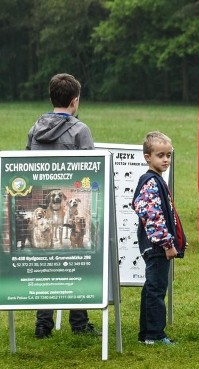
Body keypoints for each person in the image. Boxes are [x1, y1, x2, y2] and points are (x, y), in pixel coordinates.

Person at [26, 73, 98, 339]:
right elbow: (92, 172)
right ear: (75, 101)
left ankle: (42, 325)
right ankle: (79, 324)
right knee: (76, 263)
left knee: (45, 265)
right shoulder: (80, 130)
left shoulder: (35, 129)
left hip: (44, 206)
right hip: (70, 206)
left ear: (51, 98)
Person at [132, 132, 185, 346]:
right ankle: (155, 334)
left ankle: (146, 333)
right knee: (156, 289)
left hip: (156, 246)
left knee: (151, 288)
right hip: (157, 247)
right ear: (147, 157)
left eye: (168, 156)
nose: (165, 160)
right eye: (160, 155)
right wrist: (167, 244)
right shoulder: (150, 182)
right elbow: (151, 216)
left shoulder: (157, 180)